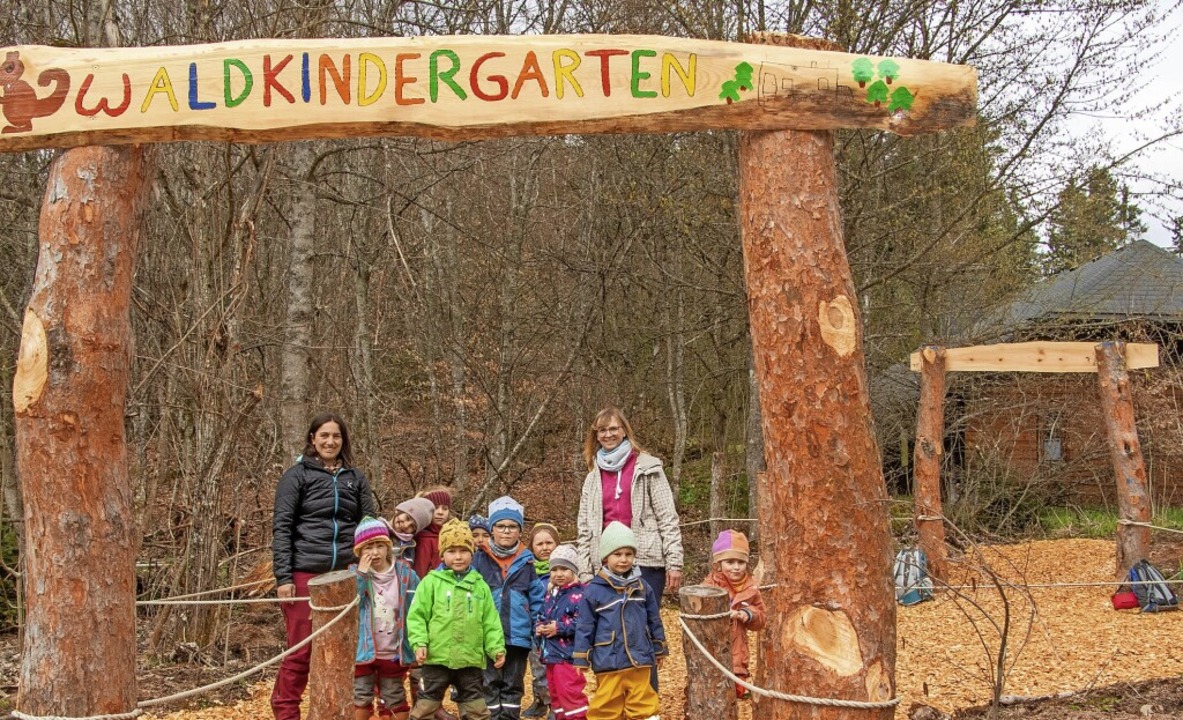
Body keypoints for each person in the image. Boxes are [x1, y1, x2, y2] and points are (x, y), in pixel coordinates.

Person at [272, 412, 376, 720]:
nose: (330, 441)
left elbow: (367, 525)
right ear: (312, 440)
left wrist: (366, 564)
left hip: (346, 573)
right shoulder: (296, 476)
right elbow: (283, 526)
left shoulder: (355, 478)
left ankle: (333, 712)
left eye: (336, 436)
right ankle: (286, 711)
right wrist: (283, 577)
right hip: (305, 571)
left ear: (343, 441)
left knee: (345, 650)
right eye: (324, 436)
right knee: (301, 649)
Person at [575, 407, 684, 600]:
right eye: (602, 430)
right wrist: (585, 570)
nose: (608, 434)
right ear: (596, 435)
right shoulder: (592, 477)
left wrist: (674, 562)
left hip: (645, 560)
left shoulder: (648, 468)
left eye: (613, 429)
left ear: (624, 431)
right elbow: (584, 528)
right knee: (609, 625)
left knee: (644, 624)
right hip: (605, 563)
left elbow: (667, 518)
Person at [407, 519, 507, 720]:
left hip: (470, 658)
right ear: (442, 553)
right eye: (452, 551)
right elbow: (417, 616)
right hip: (436, 657)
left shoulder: (480, 585)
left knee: (475, 705)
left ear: (472, 552)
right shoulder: (431, 582)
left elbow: (490, 621)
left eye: (463, 551)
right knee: (427, 702)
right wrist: (419, 642)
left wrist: (496, 647)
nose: (458, 557)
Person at [573, 522, 667, 720]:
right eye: (618, 554)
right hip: (609, 659)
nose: (624, 559)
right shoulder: (594, 590)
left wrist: (659, 647)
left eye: (628, 554)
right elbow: (584, 626)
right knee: (606, 707)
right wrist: (582, 656)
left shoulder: (642, 587)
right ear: (606, 557)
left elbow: (654, 619)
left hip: (639, 657)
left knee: (644, 705)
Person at [471, 496, 546, 720]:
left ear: (520, 531)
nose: (506, 531)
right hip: (486, 635)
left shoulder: (527, 561)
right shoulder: (478, 559)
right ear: (492, 529)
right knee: (489, 681)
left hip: (518, 635)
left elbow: (536, 599)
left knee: (513, 683)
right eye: (501, 526)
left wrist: (536, 628)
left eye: (512, 526)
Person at [353, 516, 419, 720]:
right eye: (368, 547)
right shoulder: (353, 574)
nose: (374, 552)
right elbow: (349, 603)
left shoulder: (405, 573)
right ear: (359, 552)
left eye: (380, 546)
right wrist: (361, 575)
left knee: (394, 697)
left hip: (394, 649)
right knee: (360, 696)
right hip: (363, 649)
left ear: (388, 547)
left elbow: (419, 605)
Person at [700, 529, 766, 700]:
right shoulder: (708, 586)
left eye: (740, 562)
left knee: (734, 695)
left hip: (738, 653)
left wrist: (748, 614)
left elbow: (761, 618)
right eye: (730, 562)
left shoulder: (751, 588)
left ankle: (739, 684)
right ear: (718, 564)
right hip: (711, 652)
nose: (736, 567)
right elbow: (698, 614)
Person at [536, 544, 587, 720]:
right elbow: (543, 613)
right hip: (550, 655)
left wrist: (558, 628)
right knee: (555, 696)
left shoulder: (581, 594)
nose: (559, 574)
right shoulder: (551, 593)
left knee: (570, 695)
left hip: (568, 657)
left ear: (574, 570)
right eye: (555, 569)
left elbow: (582, 623)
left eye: (564, 569)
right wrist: (540, 626)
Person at [523, 523, 559, 719]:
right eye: (540, 544)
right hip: (535, 627)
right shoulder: (528, 569)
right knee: (537, 666)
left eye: (549, 543)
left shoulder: (563, 568)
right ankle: (540, 700)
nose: (545, 548)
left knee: (554, 670)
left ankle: (555, 704)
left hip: (557, 630)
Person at [413, 487, 454, 581]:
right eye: (435, 508)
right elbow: (420, 572)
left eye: (445, 508)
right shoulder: (423, 538)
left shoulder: (451, 534)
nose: (440, 512)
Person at [392, 497, 436, 564]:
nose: (406, 525)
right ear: (398, 511)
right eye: (407, 517)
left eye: (412, 526)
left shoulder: (409, 548)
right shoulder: (376, 529)